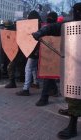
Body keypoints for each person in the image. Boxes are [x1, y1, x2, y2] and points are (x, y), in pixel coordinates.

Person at [32, 3, 81, 139]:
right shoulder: (72, 25)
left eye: (76, 12)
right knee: (73, 94)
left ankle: (72, 127)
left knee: (76, 96)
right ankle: (72, 111)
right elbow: (55, 27)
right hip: (75, 65)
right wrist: (41, 32)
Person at [35, 11, 59, 106]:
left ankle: (44, 98)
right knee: (49, 75)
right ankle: (54, 90)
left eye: (50, 17)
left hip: (57, 54)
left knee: (47, 75)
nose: (49, 18)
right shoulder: (45, 27)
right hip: (48, 54)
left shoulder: (58, 27)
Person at [15, 10, 41, 96]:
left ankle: (26, 89)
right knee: (33, 68)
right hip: (35, 50)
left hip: (33, 50)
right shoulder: (39, 25)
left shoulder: (34, 26)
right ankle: (36, 83)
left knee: (28, 68)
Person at [4, 21, 26, 88]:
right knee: (21, 67)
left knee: (10, 67)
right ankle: (22, 78)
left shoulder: (14, 32)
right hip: (19, 53)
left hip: (17, 53)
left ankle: (12, 82)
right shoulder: (17, 31)